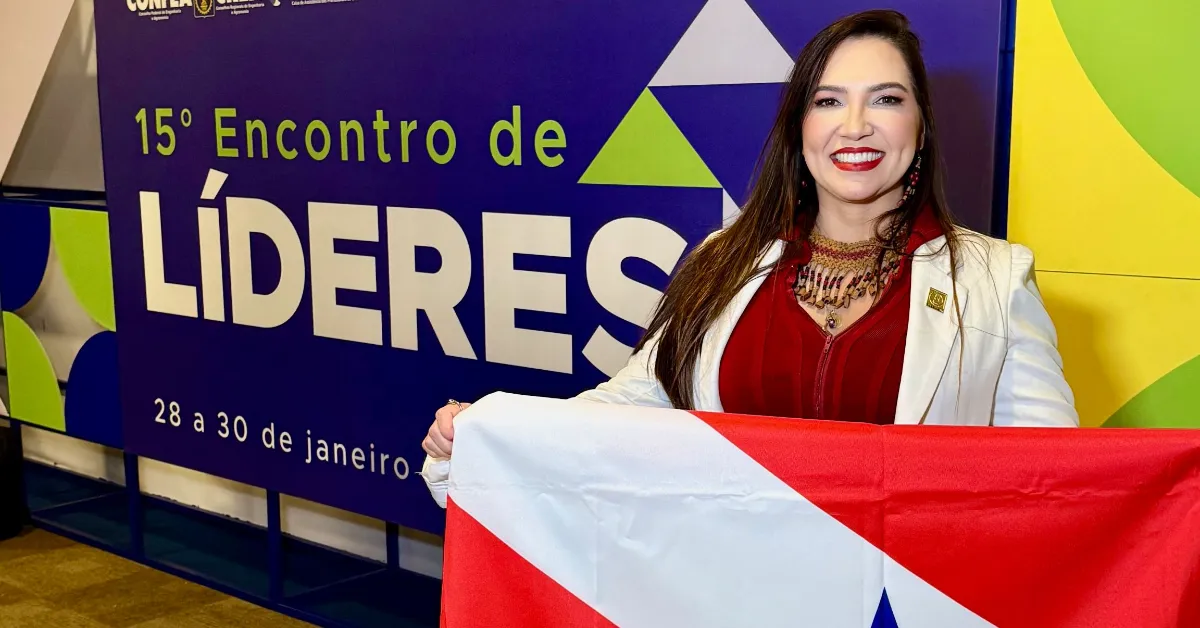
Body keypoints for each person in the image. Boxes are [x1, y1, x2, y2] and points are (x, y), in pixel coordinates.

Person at [420, 10, 1078, 507]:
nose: (855, 125)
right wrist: (491, 431)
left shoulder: (995, 281)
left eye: (886, 98)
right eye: (827, 101)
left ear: (921, 127)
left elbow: (1061, 487)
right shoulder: (722, 262)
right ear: (800, 128)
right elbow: (627, 410)